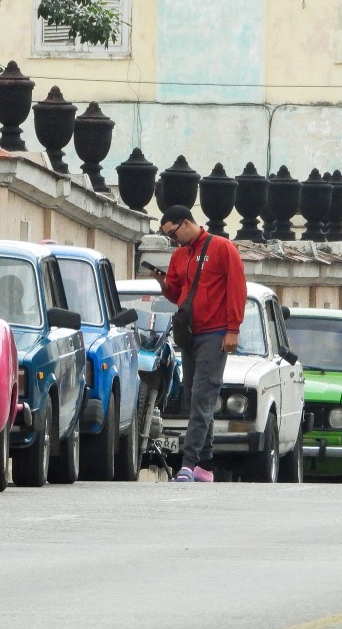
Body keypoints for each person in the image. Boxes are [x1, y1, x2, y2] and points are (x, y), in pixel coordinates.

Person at [152, 205, 246, 483]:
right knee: (194, 395)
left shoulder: (222, 248)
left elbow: (236, 288)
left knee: (202, 398)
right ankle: (205, 464)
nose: (173, 240)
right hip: (190, 334)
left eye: (173, 233)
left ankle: (188, 463)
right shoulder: (180, 256)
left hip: (215, 333)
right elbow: (180, 294)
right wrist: (164, 286)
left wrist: (233, 329)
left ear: (185, 223)